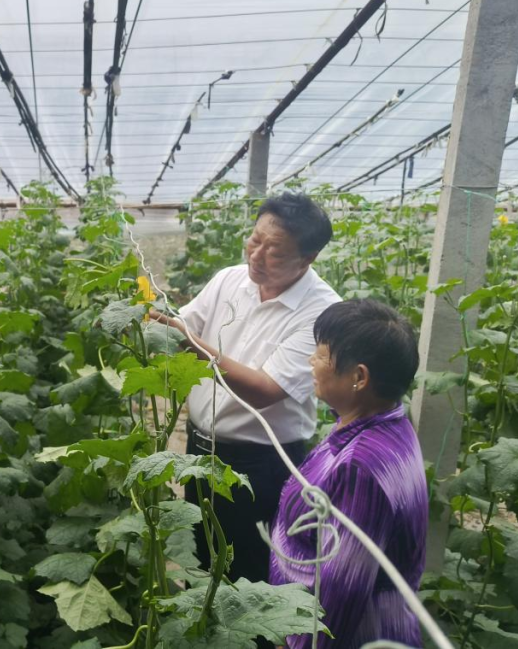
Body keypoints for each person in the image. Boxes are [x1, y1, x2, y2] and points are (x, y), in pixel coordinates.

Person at [152, 193, 340, 583]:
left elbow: (265, 390)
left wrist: (189, 342)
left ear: (307, 259)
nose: (256, 255)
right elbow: (186, 323)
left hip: (260, 465)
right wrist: (153, 320)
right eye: (255, 240)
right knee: (199, 557)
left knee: (247, 573)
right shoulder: (230, 279)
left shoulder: (323, 313)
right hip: (200, 447)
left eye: (274, 252)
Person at [269, 299, 428, 647]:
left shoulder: (361, 467)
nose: (311, 362)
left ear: (359, 377)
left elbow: (339, 592)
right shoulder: (386, 425)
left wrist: (298, 643)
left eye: (322, 355)